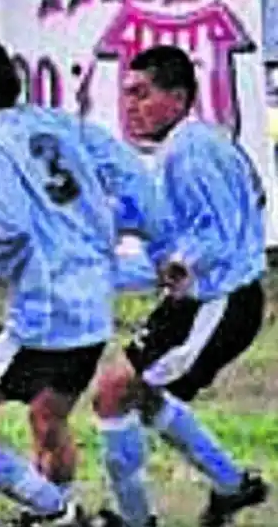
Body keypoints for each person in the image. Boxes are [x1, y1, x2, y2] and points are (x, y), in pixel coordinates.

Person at [0, 38, 163, 527]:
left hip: (47, 319)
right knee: (48, 421)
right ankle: (58, 515)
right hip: (91, 312)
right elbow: (123, 168)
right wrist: (153, 233)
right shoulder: (53, 123)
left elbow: (9, 229)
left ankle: (56, 511)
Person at [92, 45, 270, 527]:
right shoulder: (183, 148)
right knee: (132, 394)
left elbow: (216, 230)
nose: (131, 105)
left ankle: (133, 519)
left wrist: (181, 262)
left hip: (221, 302)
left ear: (178, 97)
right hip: (200, 299)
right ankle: (233, 488)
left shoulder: (190, 151)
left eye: (142, 94)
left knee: (114, 394)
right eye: (127, 94)